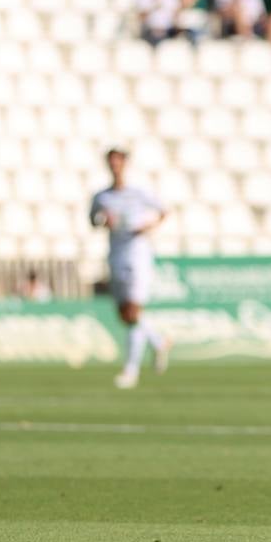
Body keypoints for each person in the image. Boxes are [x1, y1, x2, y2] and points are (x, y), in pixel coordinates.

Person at [89, 148, 169, 390]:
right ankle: (158, 341)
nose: (115, 166)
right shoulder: (102, 197)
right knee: (125, 315)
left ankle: (130, 370)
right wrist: (103, 221)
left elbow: (163, 211)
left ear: (125, 164)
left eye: (118, 161)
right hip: (116, 254)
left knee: (134, 311)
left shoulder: (138, 193)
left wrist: (147, 227)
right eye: (111, 162)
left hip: (137, 254)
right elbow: (93, 221)